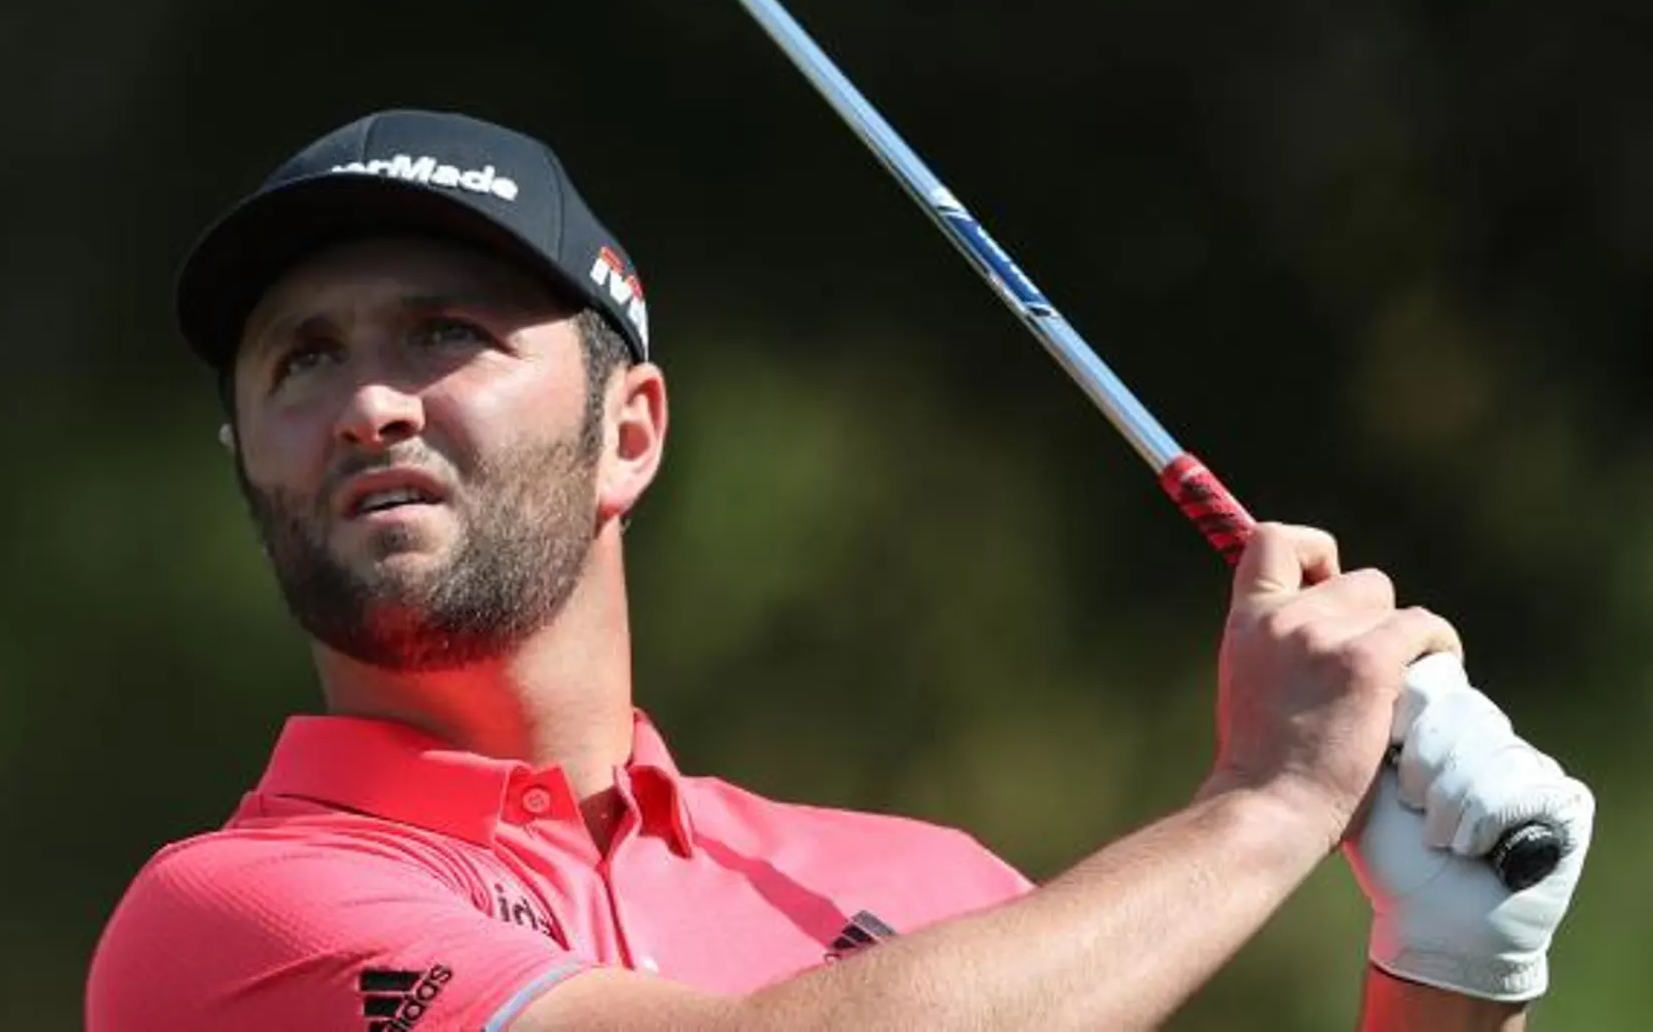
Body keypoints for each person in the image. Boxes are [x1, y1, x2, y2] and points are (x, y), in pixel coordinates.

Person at [85, 108, 1594, 1031]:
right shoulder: (232, 926)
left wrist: (1453, 965)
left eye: (443, 334)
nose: (369, 401)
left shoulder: (933, 898)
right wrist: (1267, 804)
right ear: (250, 460)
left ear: (632, 434)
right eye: (303, 358)